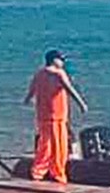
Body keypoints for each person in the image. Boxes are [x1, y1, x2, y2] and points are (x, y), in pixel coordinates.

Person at [25, 49, 88, 184]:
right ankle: (58, 173)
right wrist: (82, 104)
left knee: (44, 143)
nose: (63, 63)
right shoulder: (59, 73)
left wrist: (27, 99)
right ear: (54, 60)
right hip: (57, 115)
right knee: (59, 145)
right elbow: (69, 89)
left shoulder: (39, 74)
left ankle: (38, 171)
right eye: (61, 60)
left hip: (42, 114)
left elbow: (32, 90)